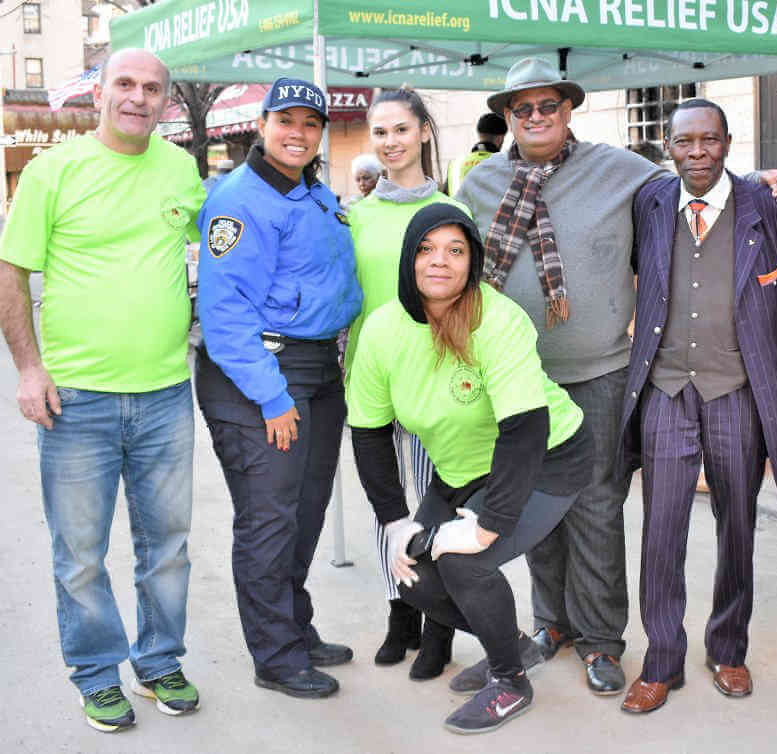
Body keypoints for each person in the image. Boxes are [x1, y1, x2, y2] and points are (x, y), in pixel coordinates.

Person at [455, 56, 777, 696]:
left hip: (600, 371)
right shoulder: (479, 184)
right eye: (521, 108)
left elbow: (699, 183)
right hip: (516, 377)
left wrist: (772, 181)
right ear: (506, 116)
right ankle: (549, 623)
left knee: (596, 505)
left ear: (568, 110)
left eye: (547, 106)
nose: (535, 117)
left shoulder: (621, 171)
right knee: (528, 503)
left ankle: (601, 637)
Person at [0, 49, 204, 732]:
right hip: (76, 398)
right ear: (99, 94)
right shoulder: (53, 171)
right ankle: (95, 674)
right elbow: (13, 272)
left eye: (151, 88)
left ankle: (159, 662)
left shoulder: (181, 169)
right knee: (80, 553)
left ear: (166, 102)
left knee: (168, 545)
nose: (137, 97)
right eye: (125, 84)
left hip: (168, 392)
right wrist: (30, 368)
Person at [348, 202, 592, 734]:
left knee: (464, 563)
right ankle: (515, 645)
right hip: (463, 469)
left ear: (472, 261)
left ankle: (509, 681)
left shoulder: (497, 319)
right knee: (409, 568)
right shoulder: (383, 330)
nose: (440, 261)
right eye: (427, 249)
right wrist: (395, 521)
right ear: (409, 260)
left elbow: (524, 432)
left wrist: (484, 527)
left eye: (455, 250)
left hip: (548, 457)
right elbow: (368, 433)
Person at [618, 99, 777, 714]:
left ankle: (728, 647)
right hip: (666, 388)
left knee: (739, 527)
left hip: (738, 391)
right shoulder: (649, 204)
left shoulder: (767, 206)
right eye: (684, 142)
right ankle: (660, 660)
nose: (697, 152)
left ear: (728, 142)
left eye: (709, 140)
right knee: (660, 531)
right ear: (668, 147)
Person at [193, 77, 363, 700]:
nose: (297, 133)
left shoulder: (314, 192)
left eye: (310, 123)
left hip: (318, 368)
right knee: (269, 519)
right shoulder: (240, 199)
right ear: (261, 125)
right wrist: (271, 396)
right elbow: (226, 313)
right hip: (262, 374)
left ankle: (294, 626)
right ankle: (276, 656)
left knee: (306, 511)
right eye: (284, 120)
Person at [346, 88, 468, 678]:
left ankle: (439, 622)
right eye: (380, 133)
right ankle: (401, 613)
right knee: (386, 505)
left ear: (423, 132)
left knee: (433, 507)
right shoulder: (357, 215)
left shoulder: (453, 209)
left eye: (401, 130)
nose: (390, 142)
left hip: (436, 383)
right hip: (372, 385)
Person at [445, 113, 508, 196]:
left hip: (455, 209)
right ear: (500, 138)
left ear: (479, 134)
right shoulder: (507, 165)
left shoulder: (456, 164)